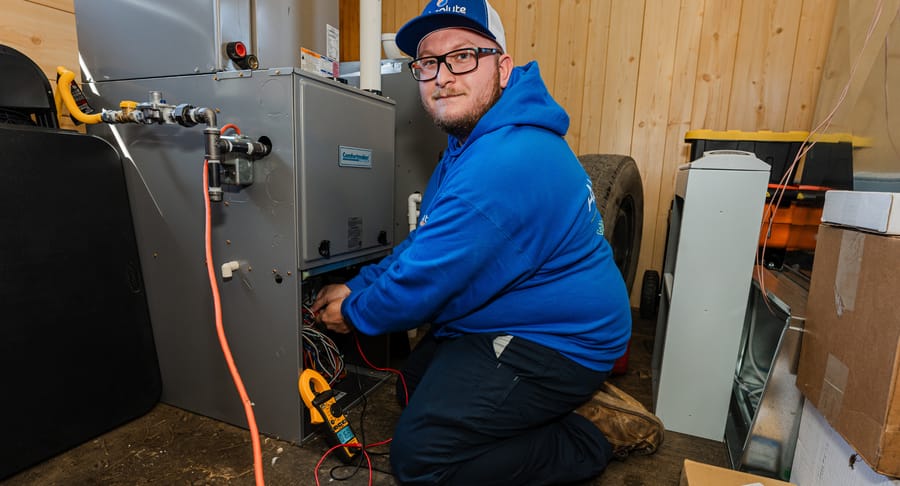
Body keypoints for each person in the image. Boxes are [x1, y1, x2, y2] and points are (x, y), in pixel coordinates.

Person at [312, 1, 661, 484]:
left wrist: (352, 312)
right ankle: (537, 412)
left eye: (463, 56)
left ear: (502, 68)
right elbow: (422, 245)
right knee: (408, 390)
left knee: (423, 458)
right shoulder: (467, 147)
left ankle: (589, 436)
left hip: (559, 339)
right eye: (428, 62)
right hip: (510, 312)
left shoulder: (503, 162)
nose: (442, 76)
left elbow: (420, 284)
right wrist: (358, 284)